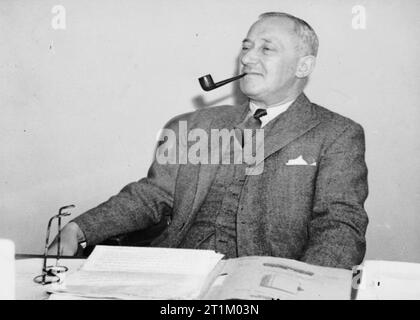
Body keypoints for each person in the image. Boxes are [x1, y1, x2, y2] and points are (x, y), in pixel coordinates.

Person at [49, 12, 368, 269]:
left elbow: (339, 225)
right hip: (177, 278)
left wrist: (305, 286)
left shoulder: (336, 133)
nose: (247, 58)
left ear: (304, 66)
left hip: (266, 287)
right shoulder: (192, 125)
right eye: (246, 47)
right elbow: (151, 196)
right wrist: (81, 228)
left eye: (265, 49)